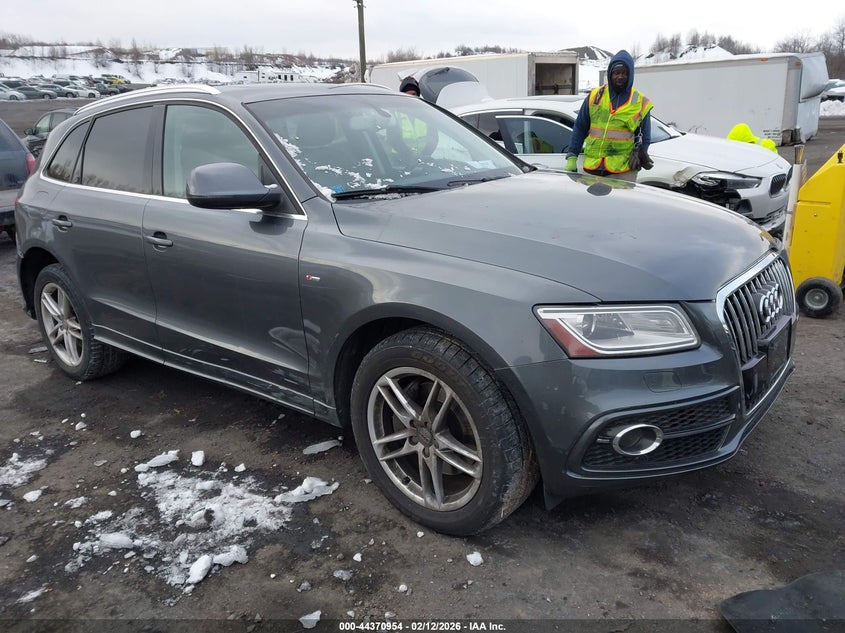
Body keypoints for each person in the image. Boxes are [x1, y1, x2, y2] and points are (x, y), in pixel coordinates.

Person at [565, 50, 653, 182]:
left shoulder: (640, 102)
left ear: (630, 75)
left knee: (621, 204)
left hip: (622, 172)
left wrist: (641, 152)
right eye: (616, 73)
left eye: (624, 73)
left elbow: (645, 136)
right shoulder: (595, 96)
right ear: (610, 74)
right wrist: (572, 157)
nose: (620, 77)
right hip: (592, 169)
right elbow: (579, 128)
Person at [394, 76, 437, 158]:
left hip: (423, 159)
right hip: (398, 161)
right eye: (407, 95)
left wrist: (424, 155)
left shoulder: (426, 115)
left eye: (413, 94)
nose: (410, 98)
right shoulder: (396, 115)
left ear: (418, 95)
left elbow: (433, 139)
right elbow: (394, 140)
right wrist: (409, 156)